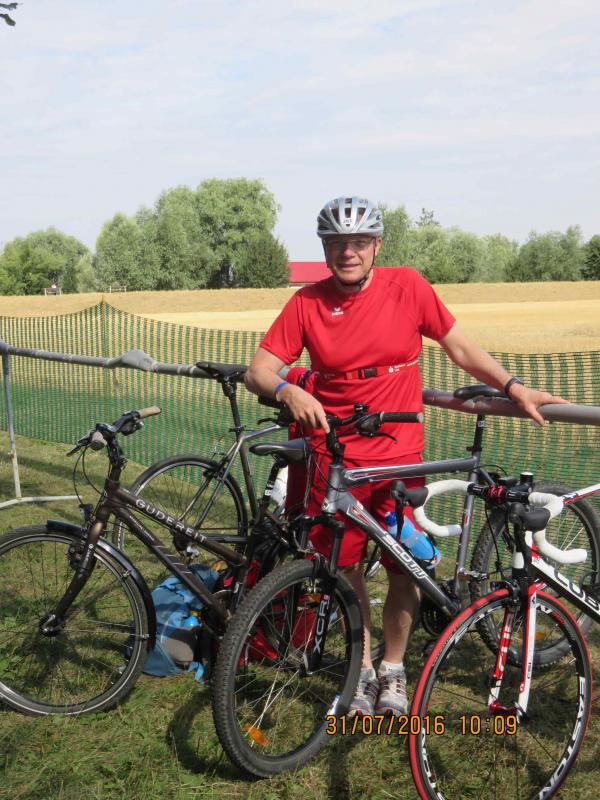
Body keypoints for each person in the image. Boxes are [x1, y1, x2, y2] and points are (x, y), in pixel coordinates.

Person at [244, 195, 567, 717]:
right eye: (337, 243)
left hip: (398, 449)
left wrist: (514, 387)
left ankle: (394, 669)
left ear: (377, 245)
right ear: (325, 248)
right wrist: (288, 390)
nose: (348, 252)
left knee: (401, 564)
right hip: (334, 452)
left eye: (358, 242)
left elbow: (460, 347)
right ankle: (362, 669)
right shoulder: (306, 302)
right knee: (342, 566)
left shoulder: (408, 286)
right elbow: (258, 370)